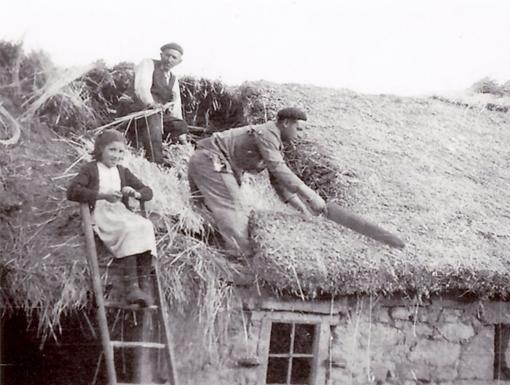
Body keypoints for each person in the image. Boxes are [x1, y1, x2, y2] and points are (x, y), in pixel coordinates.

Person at [187, 107, 326, 257]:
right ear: (286, 123)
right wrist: (312, 196)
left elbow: (278, 180)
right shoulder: (267, 133)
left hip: (206, 161)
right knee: (233, 207)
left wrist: (303, 210)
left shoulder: (274, 141)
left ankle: (209, 250)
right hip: (212, 160)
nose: (299, 134)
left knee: (208, 212)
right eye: (298, 129)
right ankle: (239, 260)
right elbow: (278, 168)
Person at [67, 130, 157, 306]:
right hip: (100, 212)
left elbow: (148, 192)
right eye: (112, 150)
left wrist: (135, 193)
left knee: (145, 226)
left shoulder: (122, 171)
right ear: (100, 149)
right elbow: (73, 191)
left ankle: (143, 284)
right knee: (128, 228)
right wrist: (102, 195)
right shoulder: (90, 169)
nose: (116, 155)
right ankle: (131, 287)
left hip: (119, 211)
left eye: (120, 151)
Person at [128, 42, 189, 164]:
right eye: (167, 55)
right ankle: (155, 161)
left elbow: (175, 106)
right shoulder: (148, 64)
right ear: (161, 55)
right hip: (134, 108)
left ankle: (168, 152)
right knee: (153, 119)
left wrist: (183, 136)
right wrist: (151, 104)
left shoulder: (173, 79)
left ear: (179, 62)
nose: (169, 59)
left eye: (174, 57)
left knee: (180, 125)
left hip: (155, 114)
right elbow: (141, 88)